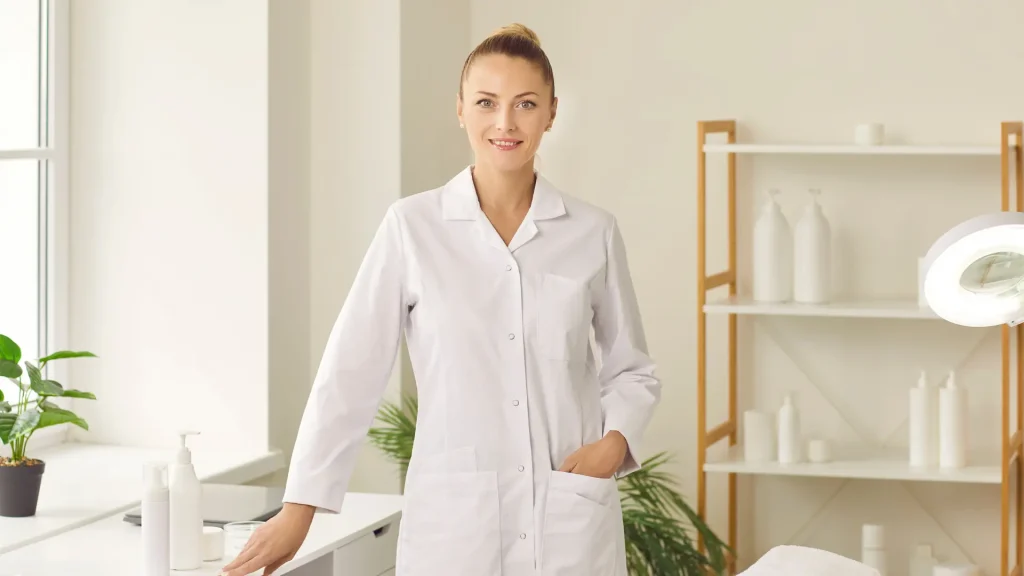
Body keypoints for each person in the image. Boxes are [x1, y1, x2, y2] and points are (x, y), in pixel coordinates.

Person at [219, 22, 661, 576]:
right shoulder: (413, 227)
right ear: (460, 110)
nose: (505, 122)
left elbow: (632, 370)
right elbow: (351, 371)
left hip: (569, 525)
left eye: (525, 104)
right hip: (456, 532)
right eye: (486, 102)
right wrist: (299, 509)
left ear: (551, 112)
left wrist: (614, 444)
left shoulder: (592, 232)